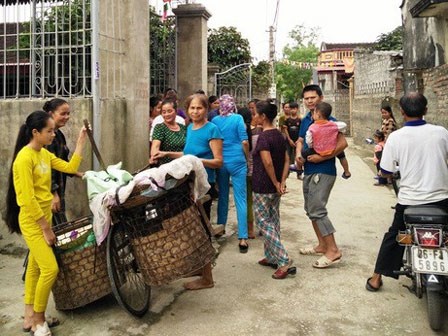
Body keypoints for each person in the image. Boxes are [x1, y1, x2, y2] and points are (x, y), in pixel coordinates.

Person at [5, 111, 88, 336]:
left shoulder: (44, 154)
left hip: (44, 218)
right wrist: (45, 228)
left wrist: (81, 140)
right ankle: (39, 321)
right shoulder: (24, 158)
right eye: (49, 131)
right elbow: (26, 199)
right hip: (33, 222)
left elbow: (70, 168)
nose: (54, 134)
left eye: (53, 130)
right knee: (50, 268)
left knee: (34, 267)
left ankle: (29, 317)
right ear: (35, 132)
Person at [366, 92, 448, 292]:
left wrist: (391, 174)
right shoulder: (441, 133)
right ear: (426, 110)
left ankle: (376, 278)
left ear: (401, 112)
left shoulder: (396, 137)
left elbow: (385, 171)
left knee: (397, 235)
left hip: (409, 202)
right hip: (441, 200)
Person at [295, 84, 347, 268]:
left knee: (317, 208)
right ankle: (322, 245)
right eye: (306, 98)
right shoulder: (306, 120)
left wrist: (322, 156)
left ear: (321, 98)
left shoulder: (329, 121)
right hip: (308, 170)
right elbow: (300, 140)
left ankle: (333, 250)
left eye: (313, 98)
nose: (309, 101)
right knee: (310, 210)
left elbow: (342, 144)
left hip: (323, 171)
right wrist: (298, 154)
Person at [182, 93, 223, 290]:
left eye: (199, 108)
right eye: (192, 108)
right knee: (193, 231)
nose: (195, 111)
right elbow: (187, 155)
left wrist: (196, 162)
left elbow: (218, 161)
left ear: (206, 110)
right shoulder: (190, 127)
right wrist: (165, 154)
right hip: (190, 187)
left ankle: (207, 278)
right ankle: (200, 268)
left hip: (204, 187)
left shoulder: (212, 129)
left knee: (202, 232)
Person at [252, 100, 294, 279]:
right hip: (275, 186)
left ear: (263, 117)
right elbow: (286, 160)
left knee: (262, 222)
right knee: (273, 219)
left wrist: (276, 182)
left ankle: (283, 259)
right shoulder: (279, 135)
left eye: (255, 113)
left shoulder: (263, 137)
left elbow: (267, 162)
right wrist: (281, 181)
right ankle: (271, 256)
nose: (254, 116)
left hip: (263, 185)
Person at [212, 94, 250, 253]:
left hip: (221, 162)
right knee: (240, 198)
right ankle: (243, 237)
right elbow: (245, 141)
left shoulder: (214, 121)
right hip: (238, 161)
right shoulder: (238, 119)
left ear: (220, 105)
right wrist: (247, 158)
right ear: (233, 104)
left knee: (223, 197)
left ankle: (220, 229)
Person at [42, 98, 77, 225]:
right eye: (63, 114)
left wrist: (81, 174)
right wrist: (53, 193)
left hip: (58, 193)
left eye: (68, 113)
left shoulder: (59, 135)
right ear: (51, 114)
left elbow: (63, 164)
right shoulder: (47, 138)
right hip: (48, 197)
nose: (67, 117)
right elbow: (45, 169)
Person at [150, 98, 187, 165]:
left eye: (169, 111)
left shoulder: (183, 128)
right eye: (164, 112)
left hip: (184, 167)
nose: (166, 114)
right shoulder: (160, 128)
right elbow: (155, 146)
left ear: (175, 111)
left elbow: (188, 152)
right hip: (166, 169)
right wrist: (154, 156)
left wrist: (166, 153)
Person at [283, 102, 301, 177]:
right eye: (291, 109)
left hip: (298, 141)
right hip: (288, 141)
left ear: (297, 109)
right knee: (287, 157)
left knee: (298, 156)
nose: (293, 110)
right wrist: (289, 139)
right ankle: (287, 172)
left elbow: (301, 130)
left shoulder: (300, 119)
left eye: (294, 109)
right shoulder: (287, 120)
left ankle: (299, 172)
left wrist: (298, 140)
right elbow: (285, 130)